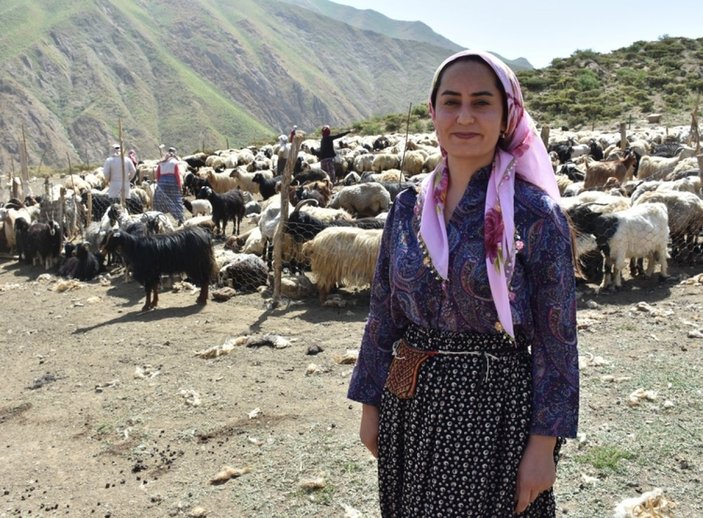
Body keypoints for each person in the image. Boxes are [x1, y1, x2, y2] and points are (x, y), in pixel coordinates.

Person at [347, 50, 579, 517]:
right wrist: (370, 405)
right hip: (409, 404)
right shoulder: (406, 208)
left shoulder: (537, 216)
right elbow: (382, 312)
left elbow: (558, 341)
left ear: (508, 113)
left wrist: (543, 446)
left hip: (495, 413)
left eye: (482, 102)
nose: (465, 116)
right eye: (451, 102)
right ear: (433, 113)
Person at [153, 146, 184, 225]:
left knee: (160, 200)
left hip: (162, 183)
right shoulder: (175, 162)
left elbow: (158, 175)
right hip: (173, 181)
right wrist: (180, 185)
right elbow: (177, 174)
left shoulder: (162, 162)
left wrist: (159, 185)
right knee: (176, 199)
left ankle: (159, 217)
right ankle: (180, 218)